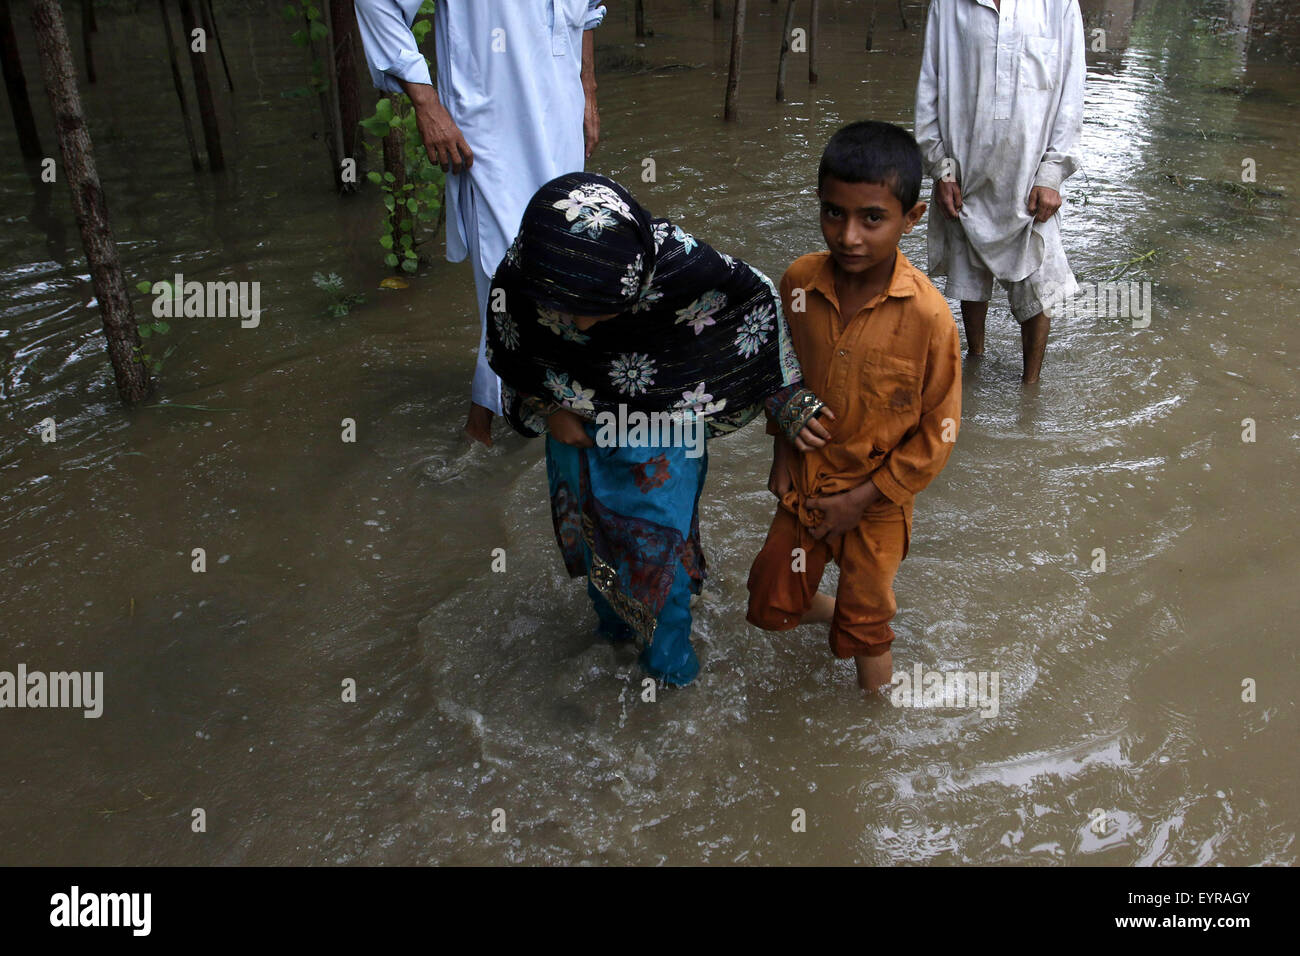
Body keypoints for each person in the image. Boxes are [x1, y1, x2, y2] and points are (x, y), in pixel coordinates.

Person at [486, 173, 829, 686]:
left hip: (664, 429)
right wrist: (547, 410)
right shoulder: (525, 276)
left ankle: (672, 679)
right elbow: (515, 354)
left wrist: (785, 396)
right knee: (598, 554)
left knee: (657, 558)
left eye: (598, 308)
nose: (580, 325)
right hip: (574, 433)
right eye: (566, 309)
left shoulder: (678, 266)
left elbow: (754, 305)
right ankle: (613, 644)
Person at [746, 122, 962, 693]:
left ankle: (877, 729)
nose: (849, 236)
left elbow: (939, 432)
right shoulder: (797, 284)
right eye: (833, 213)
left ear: (910, 219)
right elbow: (782, 377)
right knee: (770, 599)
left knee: (866, 626)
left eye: (872, 218)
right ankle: (839, 609)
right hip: (807, 482)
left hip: (877, 500)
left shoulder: (929, 317)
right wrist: (780, 452)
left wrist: (861, 500)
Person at [353, 0, 606, 444]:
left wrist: (588, 89)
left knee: (566, 272)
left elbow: (586, 11)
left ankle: (513, 422)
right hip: (487, 138)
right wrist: (427, 104)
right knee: (507, 279)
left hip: (562, 121)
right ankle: (481, 428)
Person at [914, 0, 1085, 384]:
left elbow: (1071, 93)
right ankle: (974, 361)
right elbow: (930, 84)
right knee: (969, 273)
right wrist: (941, 166)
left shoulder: (1058, 5)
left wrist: (1052, 173)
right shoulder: (948, 4)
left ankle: (1031, 386)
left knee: (1038, 282)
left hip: (1028, 176)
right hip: (965, 166)